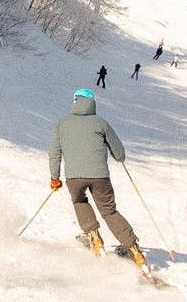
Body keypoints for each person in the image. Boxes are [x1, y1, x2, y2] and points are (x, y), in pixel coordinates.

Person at [48, 89, 144, 268]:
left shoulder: (62, 124)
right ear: (92, 103)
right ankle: (134, 250)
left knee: (79, 201)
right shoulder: (101, 124)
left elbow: (54, 153)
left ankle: (93, 236)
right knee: (109, 211)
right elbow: (119, 154)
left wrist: (55, 178)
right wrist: (117, 155)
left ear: (75, 101)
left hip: (74, 177)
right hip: (100, 177)